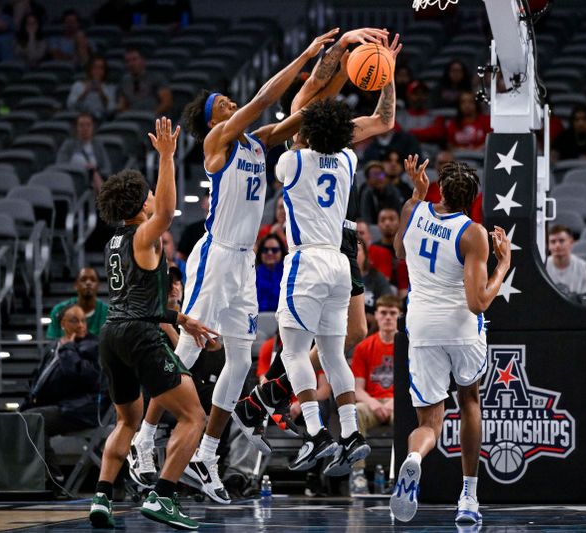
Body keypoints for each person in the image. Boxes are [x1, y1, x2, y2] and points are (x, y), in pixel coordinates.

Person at [128, 29, 345, 505]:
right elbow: (269, 96)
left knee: (241, 359)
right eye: (223, 102)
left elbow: (307, 110)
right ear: (213, 118)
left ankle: (206, 453)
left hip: (245, 261)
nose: (230, 103)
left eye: (230, 101)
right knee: (185, 351)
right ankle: (143, 440)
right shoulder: (218, 141)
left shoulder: (258, 143)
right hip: (218, 253)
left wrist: (341, 60)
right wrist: (307, 52)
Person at [272, 38, 399, 476]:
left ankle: (315, 436)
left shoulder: (292, 163)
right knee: (333, 355)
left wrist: (332, 57)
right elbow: (384, 119)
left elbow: (303, 101)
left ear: (303, 132)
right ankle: (350, 434)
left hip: (306, 261)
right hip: (342, 265)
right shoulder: (346, 160)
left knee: (292, 353)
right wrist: (387, 75)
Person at [89, 118, 216, 530]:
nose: (153, 198)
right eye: (147, 194)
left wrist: (182, 319)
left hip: (113, 335)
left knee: (127, 420)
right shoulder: (145, 235)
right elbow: (165, 211)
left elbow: (134, 297)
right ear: (139, 203)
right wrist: (166, 157)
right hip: (140, 335)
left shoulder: (114, 242)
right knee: (194, 415)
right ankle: (164, 495)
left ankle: (102, 498)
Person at [390, 155, 511, 524]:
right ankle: (469, 496)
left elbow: (398, 251)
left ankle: (413, 459)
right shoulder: (472, 232)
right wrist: (502, 264)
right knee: (470, 399)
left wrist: (415, 195)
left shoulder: (415, 210)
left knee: (429, 422)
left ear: (439, 189)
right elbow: (477, 303)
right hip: (459, 328)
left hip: (422, 327)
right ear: (473, 200)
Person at [23, 303, 106, 482]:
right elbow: (39, 379)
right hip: (65, 405)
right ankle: (29, 479)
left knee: (32, 420)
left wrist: (68, 350)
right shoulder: (54, 346)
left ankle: (54, 478)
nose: (81, 325)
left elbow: (80, 375)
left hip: (84, 409)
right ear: (62, 323)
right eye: (74, 321)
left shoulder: (92, 345)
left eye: (83, 321)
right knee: (20, 419)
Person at [350, 294, 399, 484]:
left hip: (398, 402)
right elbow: (357, 389)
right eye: (383, 313)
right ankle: (358, 474)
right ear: (376, 316)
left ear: (399, 316)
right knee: (355, 412)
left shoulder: (407, 347)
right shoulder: (363, 347)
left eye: (392, 313)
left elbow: (411, 386)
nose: (388, 317)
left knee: (409, 416)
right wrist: (375, 405)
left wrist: (393, 404)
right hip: (371, 402)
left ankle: (400, 474)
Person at [56, 113, 112, 195]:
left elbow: (107, 168)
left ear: (93, 127)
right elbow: (60, 165)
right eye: (81, 125)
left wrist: (94, 171)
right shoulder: (69, 145)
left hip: (93, 183)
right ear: (76, 128)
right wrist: (81, 168)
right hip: (74, 181)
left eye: (88, 125)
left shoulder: (98, 145)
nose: (85, 128)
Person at [46, 267, 108, 340]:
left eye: (93, 280)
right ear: (75, 285)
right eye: (83, 279)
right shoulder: (59, 310)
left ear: (98, 286)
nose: (88, 283)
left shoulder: (109, 312)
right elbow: (52, 342)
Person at [117, 46, 172, 115]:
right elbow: (122, 105)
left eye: (134, 59)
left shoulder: (156, 77)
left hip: (153, 117)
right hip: (133, 118)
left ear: (143, 60)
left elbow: (166, 102)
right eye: (128, 61)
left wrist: (152, 115)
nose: (131, 64)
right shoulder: (124, 81)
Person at [368, 206, 409, 296]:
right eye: (383, 220)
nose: (387, 223)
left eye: (391, 219)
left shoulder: (408, 248)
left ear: (399, 223)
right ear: (378, 224)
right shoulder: (373, 249)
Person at [67, 55, 117, 123]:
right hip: (80, 121)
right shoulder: (77, 85)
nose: (97, 71)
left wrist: (102, 94)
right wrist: (85, 93)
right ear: (90, 69)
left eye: (101, 68)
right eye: (95, 67)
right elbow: (70, 106)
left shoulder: (110, 88)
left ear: (105, 71)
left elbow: (111, 110)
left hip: (101, 122)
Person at [545, 224, 586, 295]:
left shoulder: (584, 268)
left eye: (561, 241)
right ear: (548, 245)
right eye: (553, 242)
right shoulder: (542, 267)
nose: (557, 245)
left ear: (571, 242)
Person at [399, 80, 446, 144]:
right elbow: (397, 136)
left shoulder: (436, 116)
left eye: (423, 94)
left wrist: (410, 132)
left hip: (431, 150)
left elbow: (438, 133)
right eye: (416, 94)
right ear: (408, 95)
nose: (420, 97)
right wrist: (427, 133)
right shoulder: (399, 117)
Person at [357, 239, 392, 318]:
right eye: (350, 250)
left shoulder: (377, 277)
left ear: (365, 254)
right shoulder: (340, 278)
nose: (353, 253)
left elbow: (387, 302)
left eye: (357, 250)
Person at [256, 233, 286, 312]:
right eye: (265, 250)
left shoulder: (289, 276)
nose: (270, 253)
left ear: (281, 252)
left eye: (274, 250)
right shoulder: (251, 276)